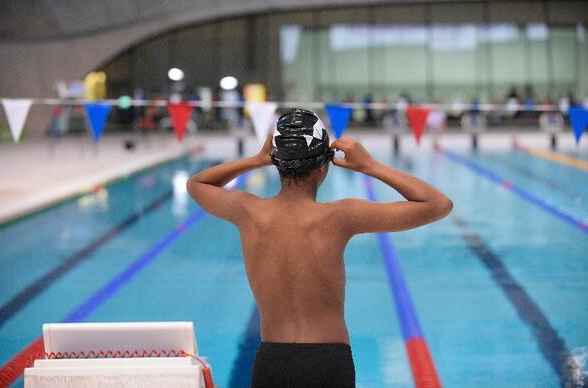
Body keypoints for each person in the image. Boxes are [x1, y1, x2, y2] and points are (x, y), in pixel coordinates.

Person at [187, 109, 452, 388]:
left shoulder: (248, 211)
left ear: (277, 164)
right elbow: (438, 205)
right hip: (328, 363)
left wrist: (256, 160)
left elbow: (197, 184)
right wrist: (370, 166)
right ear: (323, 167)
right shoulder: (340, 216)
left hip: (272, 362)